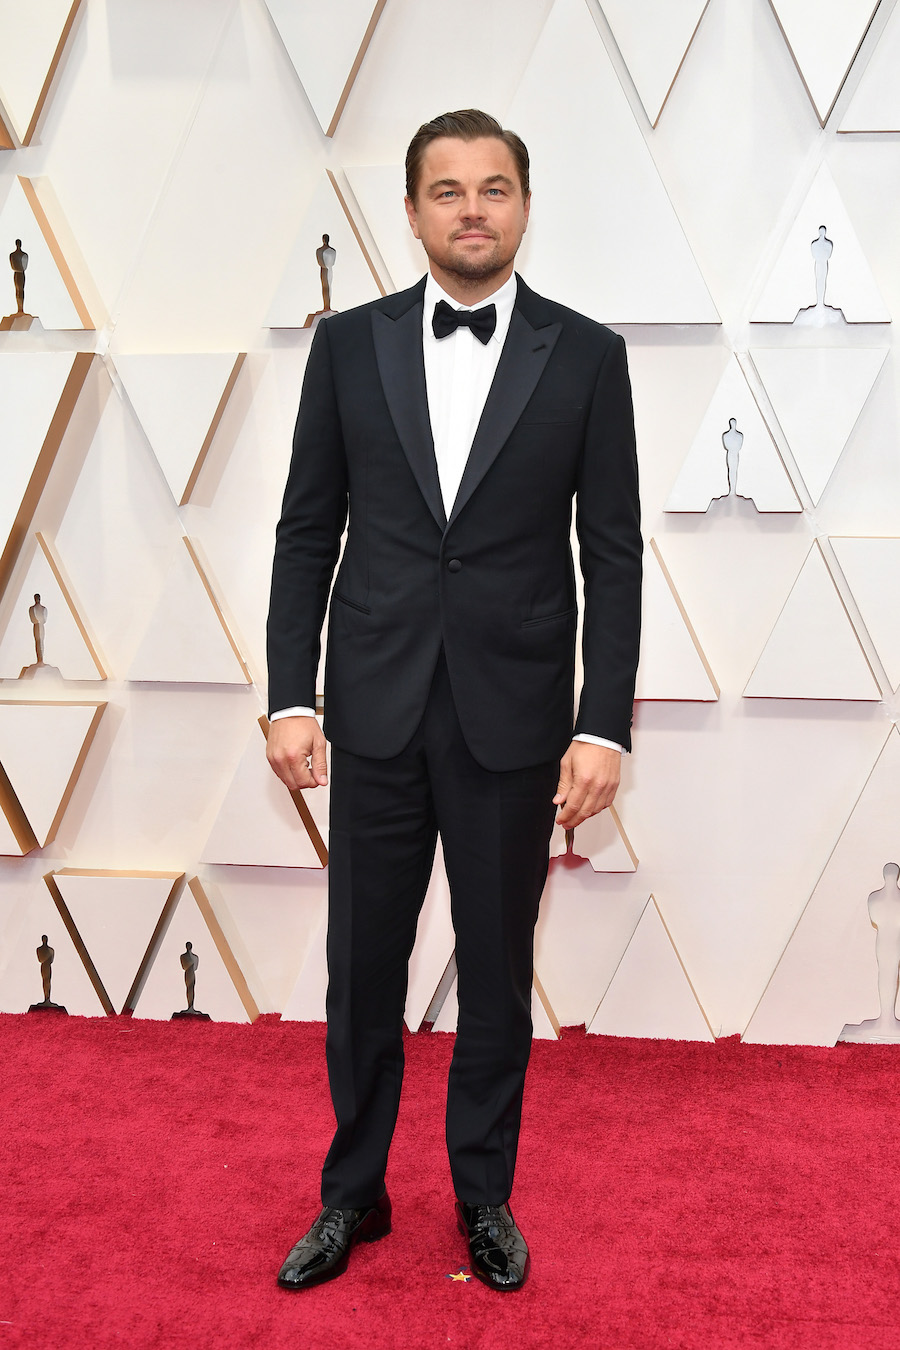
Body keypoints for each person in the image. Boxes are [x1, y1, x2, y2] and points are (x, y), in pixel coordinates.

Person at [266, 109, 642, 1292]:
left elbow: (613, 553)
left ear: (523, 206)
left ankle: (484, 1195)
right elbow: (306, 532)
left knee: (495, 974)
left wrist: (601, 722)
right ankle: (352, 1194)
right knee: (361, 973)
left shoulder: (587, 356)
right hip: (373, 708)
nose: (472, 209)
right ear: (413, 211)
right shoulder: (346, 347)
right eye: (447, 190)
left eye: (493, 188)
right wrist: (289, 696)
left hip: (513, 718)